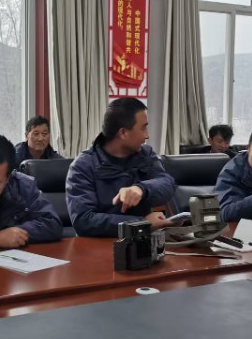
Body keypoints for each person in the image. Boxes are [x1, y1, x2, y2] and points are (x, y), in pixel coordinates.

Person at [66, 98, 175, 237]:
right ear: (123, 133)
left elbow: (167, 183)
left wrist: (141, 189)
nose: (147, 135)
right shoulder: (83, 166)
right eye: (143, 128)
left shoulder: (145, 154)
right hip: (99, 245)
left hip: (141, 240)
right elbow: (83, 221)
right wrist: (141, 223)